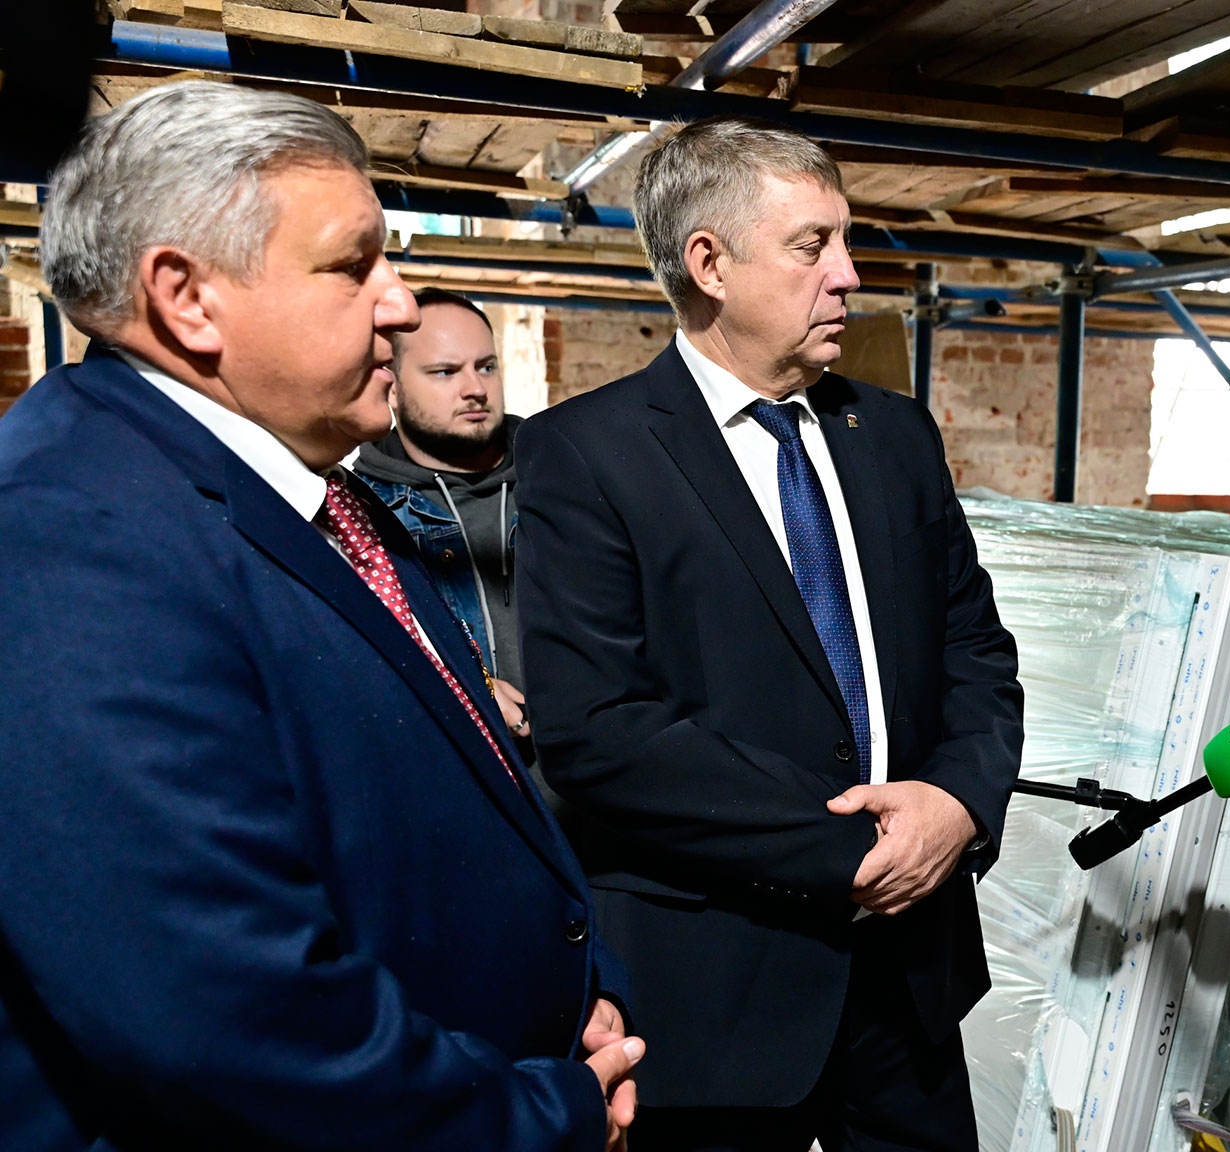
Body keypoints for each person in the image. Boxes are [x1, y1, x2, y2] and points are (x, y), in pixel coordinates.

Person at [0, 81, 642, 1151]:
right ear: (187, 298)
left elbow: (457, 781)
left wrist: (579, 988)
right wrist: (541, 1118)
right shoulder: (67, 536)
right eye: (354, 266)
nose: (401, 304)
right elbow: (226, 1015)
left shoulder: (317, 492)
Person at [515, 115, 1024, 1150]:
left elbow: (976, 653)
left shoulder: (893, 434)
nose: (849, 276)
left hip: (908, 982)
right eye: (812, 245)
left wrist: (958, 805)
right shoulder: (587, 454)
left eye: (847, 241)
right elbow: (599, 733)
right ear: (710, 264)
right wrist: (859, 848)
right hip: (718, 994)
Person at [356, 288, 532, 745]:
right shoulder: (360, 513)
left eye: (486, 367)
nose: (476, 389)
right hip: (460, 768)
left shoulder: (564, 481)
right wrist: (458, 683)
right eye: (445, 372)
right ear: (392, 386)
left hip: (592, 777)